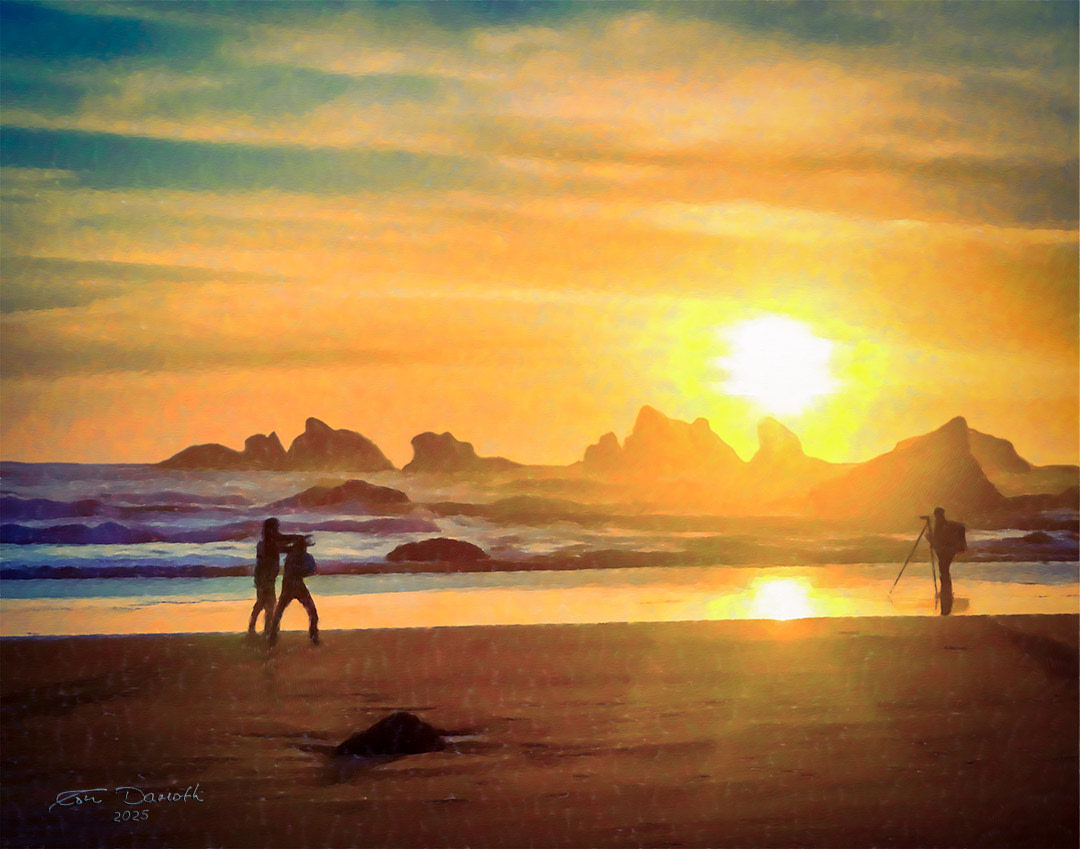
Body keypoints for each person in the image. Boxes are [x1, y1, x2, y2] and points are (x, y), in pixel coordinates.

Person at [247, 518, 304, 636]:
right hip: (265, 578)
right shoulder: (268, 544)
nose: (277, 530)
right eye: (275, 528)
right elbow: (282, 545)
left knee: (264, 603)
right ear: (271, 529)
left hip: (266, 578)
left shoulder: (267, 542)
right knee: (267, 603)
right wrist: (298, 541)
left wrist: (296, 539)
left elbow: (282, 540)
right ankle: (259, 629)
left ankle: (257, 628)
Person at [267, 535, 319, 647]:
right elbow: (310, 570)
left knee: (279, 613)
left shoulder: (294, 557)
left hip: (291, 586)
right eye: (302, 546)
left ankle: (272, 638)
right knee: (312, 613)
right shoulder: (298, 557)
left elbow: (311, 569)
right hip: (294, 586)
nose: (303, 548)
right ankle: (313, 637)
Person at [929, 507, 964, 616]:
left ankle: (946, 591)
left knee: (943, 569)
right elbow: (939, 541)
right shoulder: (945, 525)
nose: (936, 518)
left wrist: (930, 539)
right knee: (944, 569)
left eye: (937, 516)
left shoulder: (941, 526)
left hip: (945, 551)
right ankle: (946, 591)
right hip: (948, 551)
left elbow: (938, 541)